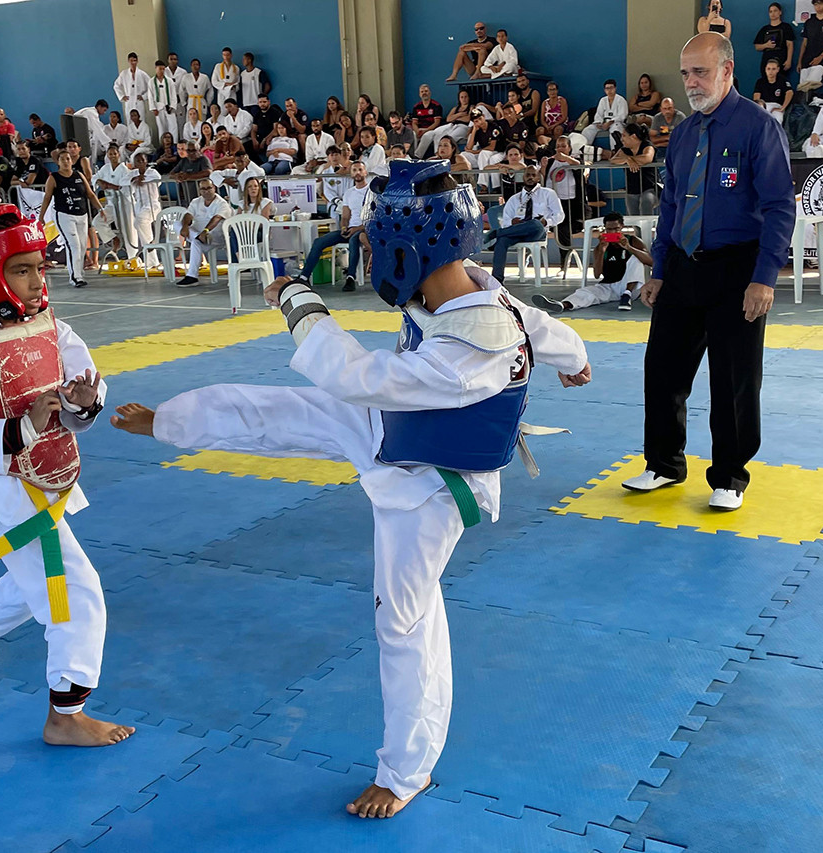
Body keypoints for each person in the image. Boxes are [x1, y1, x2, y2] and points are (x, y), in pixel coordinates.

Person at [109, 159, 591, 820]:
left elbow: (357, 375)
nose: (373, 255)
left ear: (412, 248)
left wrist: (298, 300)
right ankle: (169, 420)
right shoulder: (469, 287)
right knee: (284, 412)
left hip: (433, 486)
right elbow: (542, 327)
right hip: (401, 430)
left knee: (401, 620)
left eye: (377, 243)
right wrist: (578, 357)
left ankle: (405, 770)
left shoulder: (470, 347)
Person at [0, 204, 129, 748]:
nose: (38, 280)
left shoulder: (52, 327)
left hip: (51, 475)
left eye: (40, 266)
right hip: (6, 489)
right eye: (21, 269)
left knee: (34, 580)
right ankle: (66, 713)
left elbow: (86, 388)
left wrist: (85, 402)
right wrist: (21, 426)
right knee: (72, 591)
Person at [630, 32, 794, 512]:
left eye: (700, 72)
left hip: (737, 267)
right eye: (685, 73)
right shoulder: (682, 132)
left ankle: (730, 476)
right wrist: (659, 268)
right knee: (662, 369)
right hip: (683, 265)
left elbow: (781, 206)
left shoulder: (757, 127)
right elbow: (671, 206)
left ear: (727, 70)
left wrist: (764, 277)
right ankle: (662, 464)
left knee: (734, 378)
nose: (690, 83)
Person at [540, 213, 653, 312]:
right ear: (605, 229)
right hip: (609, 286)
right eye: (609, 229)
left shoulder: (633, 241)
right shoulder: (601, 247)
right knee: (585, 292)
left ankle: (626, 296)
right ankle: (563, 305)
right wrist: (601, 251)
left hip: (631, 288)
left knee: (636, 258)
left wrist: (629, 248)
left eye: (616, 229)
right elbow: (597, 274)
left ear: (622, 227)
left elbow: (650, 261)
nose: (612, 232)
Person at [294, 160, 371, 291]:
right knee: (319, 242)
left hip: (364, 230)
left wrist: (357, 229)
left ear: (365, 172)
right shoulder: (349, 193)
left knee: (354, 240)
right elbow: (345, 216)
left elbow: (374, 218)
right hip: (350, 229)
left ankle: (350, 277)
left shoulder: (371, 192)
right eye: (354, 170)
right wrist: (343, 228)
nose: (357, 173)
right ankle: (304, 277)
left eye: (360, 170)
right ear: (350, 174)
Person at [485, 164, 562, 282]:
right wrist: (511, 221)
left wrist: (547, 221)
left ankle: (496, 233)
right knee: (502, 241)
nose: (530, 177)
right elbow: (505, 220)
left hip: (537, 232)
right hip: (516, 232)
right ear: (523, 177)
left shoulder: (548, 194)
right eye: (527, 175)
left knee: (536, 223)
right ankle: (497, 280)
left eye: (533, 175)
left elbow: (560, 215)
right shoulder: (514, 199)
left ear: (538, 178)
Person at [41, 149, 106, 289]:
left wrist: (101, 209)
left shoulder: (79, 175)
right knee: (73, 245)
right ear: (58, 162)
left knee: (82, 246)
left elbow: (90, 194)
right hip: (64, 215)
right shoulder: (54, 177)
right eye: (62, 159)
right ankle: (75, 277)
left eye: (68, 159)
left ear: (72, 161)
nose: (66, 161)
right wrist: (41, 217)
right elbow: (47, 198)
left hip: (81, 214)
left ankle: (79, 272)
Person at [176, 178, 232, 287]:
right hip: (199, 235)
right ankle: (192, 276)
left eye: (209, 188)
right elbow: (188, 215)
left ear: (214, 188)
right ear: (200, 191)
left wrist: (205, 231)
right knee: (177, 224)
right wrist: (185, 226)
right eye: (203, 189)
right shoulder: (196, 201)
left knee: (196, 243)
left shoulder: (222, 203)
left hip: (214, 235)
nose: (206, 191)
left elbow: (216, 218)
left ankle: (191, 276)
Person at [118, 152, 163, 261]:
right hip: (139, 204)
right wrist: (134, 179)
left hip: (152, 204)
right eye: (138, 161)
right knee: (141, 226)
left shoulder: (152, 172)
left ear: (146, 161)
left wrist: (143, 178)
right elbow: (122, 181)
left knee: (140, 221)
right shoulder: (133, 173)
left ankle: (152, 245)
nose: (141, 163)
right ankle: (151, 257)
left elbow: (158, 180)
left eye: (143, 160)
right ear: (135, 163)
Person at [609, 123, 659, 213]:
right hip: (632, 189)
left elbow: (646, 158)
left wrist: (629, 159)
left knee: (645, 204)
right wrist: (627, 159)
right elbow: (613, 160)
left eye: (624, 136)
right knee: (633, 218)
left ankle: (647, 227)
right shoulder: (624, 149)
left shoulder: (647, 146)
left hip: (649, 187)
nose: (622, 139)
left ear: (633, 136)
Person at [416, 90, 473, 158]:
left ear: (468, 98)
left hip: (463, 126)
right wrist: (460, 114)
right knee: (436, 133)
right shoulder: (455, 108)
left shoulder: (471, 107)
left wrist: (455, 117)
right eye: (462, 97)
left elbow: (468, 119)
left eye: (465, 97)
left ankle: (445, 155)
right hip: (451, 125)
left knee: (449, 138)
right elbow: (448, 119)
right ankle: (435, 154)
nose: (464, 99)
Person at [581, 80, 628, 148]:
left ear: (615, 88)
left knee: (615, 130)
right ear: (604, 90)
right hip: (603, 123)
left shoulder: (621, 100)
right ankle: (585, 149)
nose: (609, 90)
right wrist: (598, 123)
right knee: (588, 130)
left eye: (611, 88)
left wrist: (610, 122)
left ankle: (615, 150)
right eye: (607, 88)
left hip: (616, 123)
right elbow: (599, 114)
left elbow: (622, 115)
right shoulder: (603, 100)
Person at [753, 3, 794, 74]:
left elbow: (790, 45)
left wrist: (789, 60)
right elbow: (757, 47)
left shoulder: (786, 27)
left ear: (780, 12)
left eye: (775, 11)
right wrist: (766, 45)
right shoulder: (764, 29)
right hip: (767, 60)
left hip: (781, 60)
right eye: (770, 11)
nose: (773, 13)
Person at [114, 52, 152, 130]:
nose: (133, 63)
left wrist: (144, 96)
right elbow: (116, 85)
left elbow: (152, 87)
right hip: (129, 101)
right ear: (128, 61)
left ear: (137, 61)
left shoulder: (142, 74)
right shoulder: (124, 74)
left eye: (135, 60)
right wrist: (122, 96)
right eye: (131, 61)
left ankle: (143, 140)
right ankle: (131, 140)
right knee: (129, 121)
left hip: (139, 101)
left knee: (141, 121)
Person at [148, 60, 179, 143]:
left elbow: (173, 95)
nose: (161, 71)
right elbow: (150, 96)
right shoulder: (151, 81)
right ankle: (163, 146)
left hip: (169, 108)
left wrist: (172, 106)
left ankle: (174, 145)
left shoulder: (169, 81)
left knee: (173, 127)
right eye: (160, 69)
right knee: (161, 128)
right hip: (158, 108)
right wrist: (153, 108)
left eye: (163, 69)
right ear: (155, 68)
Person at [179, 58, 214, 125]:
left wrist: (208, 102)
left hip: (201, 100)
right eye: (193, 65)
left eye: (197, 65)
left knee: (202, 120)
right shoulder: (186, 77)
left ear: (199, 66)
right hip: (191, 101)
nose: (195, 66)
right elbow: (181, 90)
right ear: (191, 66)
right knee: (190, 120)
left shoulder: (204, 77)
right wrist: (183, 102)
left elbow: (210, 89)